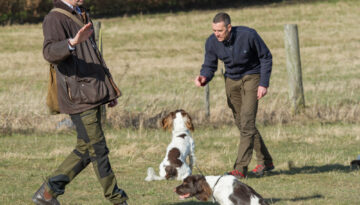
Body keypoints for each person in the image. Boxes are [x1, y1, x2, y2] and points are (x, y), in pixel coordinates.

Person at [32, 0, 128, 204]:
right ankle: (117, 199)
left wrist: (109, 91)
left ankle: (48, 193)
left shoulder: (81, 12)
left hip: (94, 92)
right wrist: (71, 43)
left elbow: (95, 56)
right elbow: (49, 52)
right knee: (98, 149)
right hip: (78, 97)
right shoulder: (54, 18)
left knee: (86, 148)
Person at [195, 12, 274, 178]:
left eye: (220, 30)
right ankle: (266, 161)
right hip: (231, 79)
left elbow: (266, 57)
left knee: (246, 121)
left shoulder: (248, 35)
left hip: (252, 76)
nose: (216, 34)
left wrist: (263, 83)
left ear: (229, 28)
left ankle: (240, 169)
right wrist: (204, 77)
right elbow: (209, 65)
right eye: (214, 30)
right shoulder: (212, 42)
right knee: (242, 122)